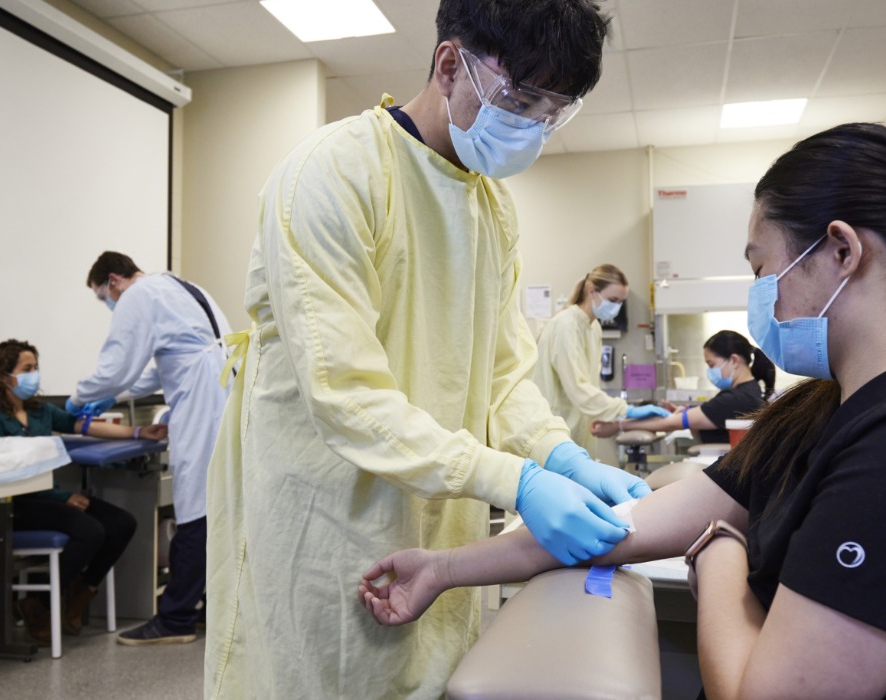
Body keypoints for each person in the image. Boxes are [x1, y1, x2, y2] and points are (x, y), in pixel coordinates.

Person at [360, 123, 886, 699]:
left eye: (760, 269)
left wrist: (721, 554)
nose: (760, 297)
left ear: (841, 250)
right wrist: (446, 568)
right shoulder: (819, 410)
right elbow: (623, 527)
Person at [204, 1, 650, 697]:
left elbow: (503, 376)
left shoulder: (491, 206)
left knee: (437, 673)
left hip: (444, 510)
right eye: (521, 99)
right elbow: (345, 394)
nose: (532, 128)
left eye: (552, 113)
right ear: (450, 64)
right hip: (327, 517)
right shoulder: (333, 173)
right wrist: (517, 483)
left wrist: (556, 454)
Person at [68, 251, 231, 646]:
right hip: (224, 392)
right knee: (221, 507)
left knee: (194, 507)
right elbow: (159, 368)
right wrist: (116, 394)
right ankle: (213, 606)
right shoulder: (182, 287)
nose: (108, 305)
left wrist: (79, 397)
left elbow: (116, 366)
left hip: (201, 401)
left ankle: (175, 618)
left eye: (103, 297)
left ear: (113, 281)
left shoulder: (139, 296)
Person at [0, 339, 163, 645]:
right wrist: (62, 498)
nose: (35, 375)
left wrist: (138, 432)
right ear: (5, 377)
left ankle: (78, 595)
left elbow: (84, 426)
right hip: (11, 505)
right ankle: (40, 606)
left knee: (122, 523)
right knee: (90, 530)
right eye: (27, 369)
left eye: (36, 368)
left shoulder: (39, 412)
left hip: (45, 499)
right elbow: (1, 474)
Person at [533, 264, 668, 453]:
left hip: (576, 427)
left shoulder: (593, 327)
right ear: (591, 292)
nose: (617, 307)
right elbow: (578, 388)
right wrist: (625, 410)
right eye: (613, 300)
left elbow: (589, 385)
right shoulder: (566, 325)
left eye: (621, 302)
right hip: (555, 428)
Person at [590, 329, 773, 444]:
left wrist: (617, 426)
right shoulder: (748, 391)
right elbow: (705, 416)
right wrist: (684, 411)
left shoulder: (737, 398)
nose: (710, 371)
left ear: (734, 360)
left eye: (711, 364)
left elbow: (671, 423)